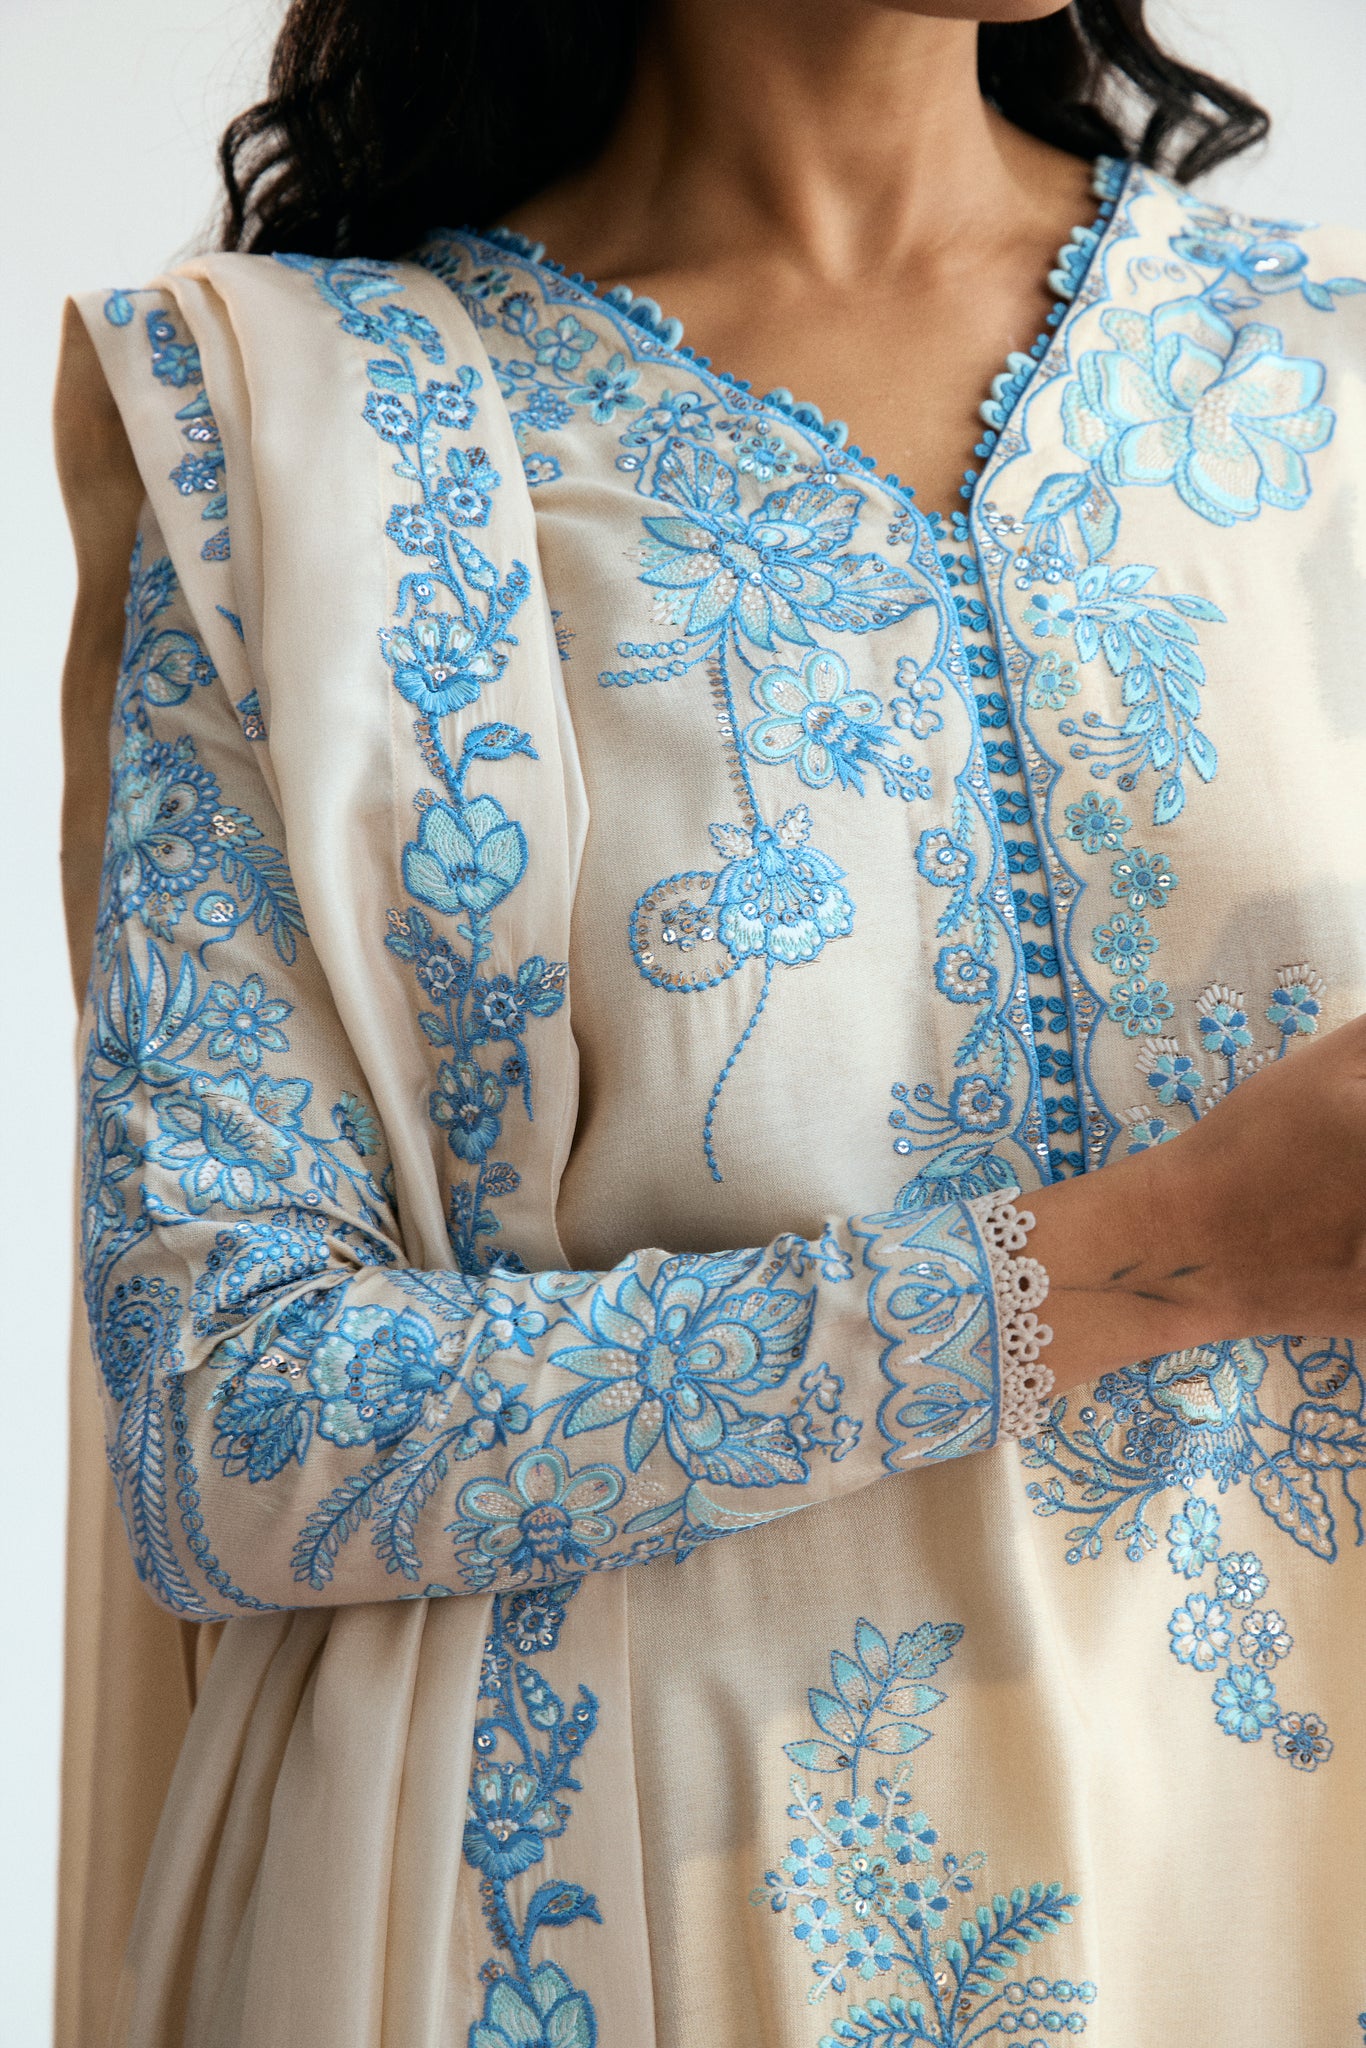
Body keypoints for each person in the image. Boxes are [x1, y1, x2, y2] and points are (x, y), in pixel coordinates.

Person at [53, 2, 1366, 2043]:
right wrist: (1129, 1260)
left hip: (1274, 1889)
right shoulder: (320, 444)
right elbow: (233, 1419)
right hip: (621, 1919)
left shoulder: (1317, 372)